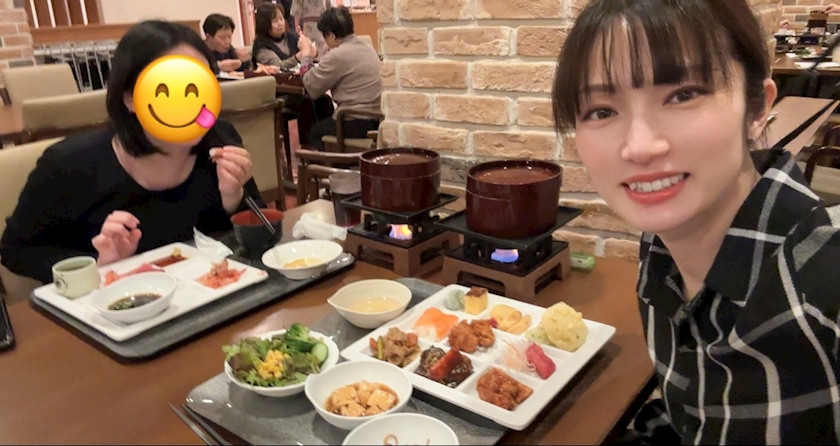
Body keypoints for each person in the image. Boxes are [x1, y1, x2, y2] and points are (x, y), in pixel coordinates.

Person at [551, 0, 840, 444]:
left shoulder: (819, 300)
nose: (639, 147)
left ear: (757, 109)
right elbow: (689, 419)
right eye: (602, 111)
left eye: (683, 94)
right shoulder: (661, 246)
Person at [0, 20, 262, 284]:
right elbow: (16, 250)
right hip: (115, 302)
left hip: (211, 297)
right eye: (166, 90)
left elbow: (258, 232)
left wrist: (233, 199)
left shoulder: (221, 138)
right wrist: (97, 265)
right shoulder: (69, 164)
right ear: (129, 98)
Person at [299, 7, 381, 151]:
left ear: (331, 35)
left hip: (357, 121)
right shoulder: (367, 47)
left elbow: (309, 83)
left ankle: (326, 164)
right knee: (323, 106)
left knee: (314, 132)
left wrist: (305, 54)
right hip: (377, 118)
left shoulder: (337, 55)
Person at [252, 3, 311, 70]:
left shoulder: (290, 37)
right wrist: (300, 55)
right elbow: (279, 66)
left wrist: (311, 51)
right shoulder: (261, 46)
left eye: (281, 18)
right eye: (275, 21)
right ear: (264, 24)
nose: (280, 23)